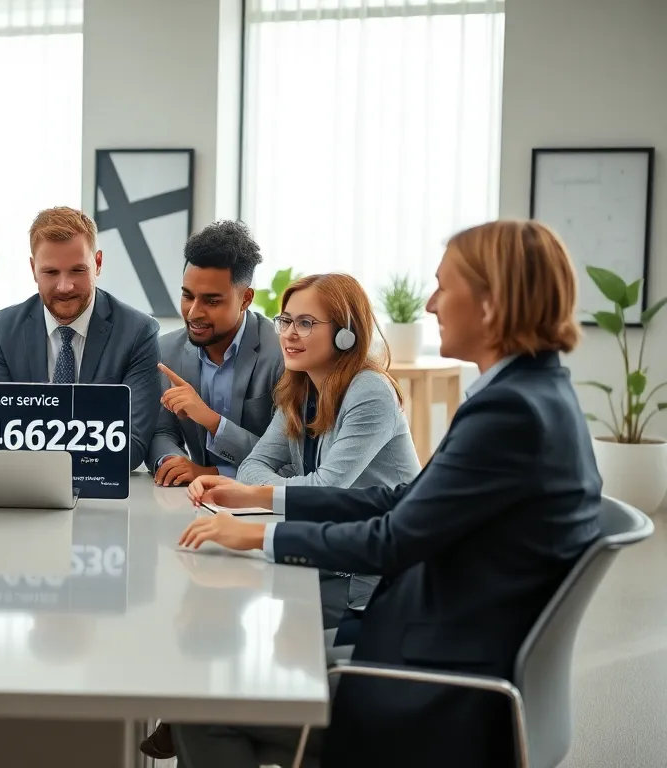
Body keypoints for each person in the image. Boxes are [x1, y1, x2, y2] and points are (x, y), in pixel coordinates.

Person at [173, 220, 602, 768]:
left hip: (434, 682)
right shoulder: (533, 395)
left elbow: (392, 540)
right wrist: (260, 501)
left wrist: (260, 534)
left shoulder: (510, 412)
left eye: (445, 286)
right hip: (444, 645)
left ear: (492, 305)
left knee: (204, 699)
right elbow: (400, 498)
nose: (429, 304)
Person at [142, 271, 416, 761]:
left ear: (347, 332)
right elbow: (254, 467)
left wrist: (253, 492)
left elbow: (327, 486)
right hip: (320, 556)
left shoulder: (369, 392)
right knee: (207, 598)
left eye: (306, 323)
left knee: (218, 654)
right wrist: (253, 487)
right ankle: (185, 713)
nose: (288, 333)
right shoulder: (298, 389)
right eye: (286, 320)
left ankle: (187, 717)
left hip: (365, 586)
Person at [0, 206, 162, 469]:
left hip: (103, 494)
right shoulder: (6, 327)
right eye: (50, 272)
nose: (65, 287)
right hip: (24, 489)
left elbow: (132, 444)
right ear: (33, 269)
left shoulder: (138, 332)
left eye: (78, 271)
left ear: (98, 263)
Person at [147, 220, 284, 488]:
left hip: (265, 507)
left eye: (211, 301)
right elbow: (161, 431)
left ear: (245, 299)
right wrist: (171, 462)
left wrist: (210, 466)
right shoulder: (166, 351)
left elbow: (289, 460)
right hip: (193, 504)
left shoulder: (281, 356)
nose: (193, 312)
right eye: (188, 296)